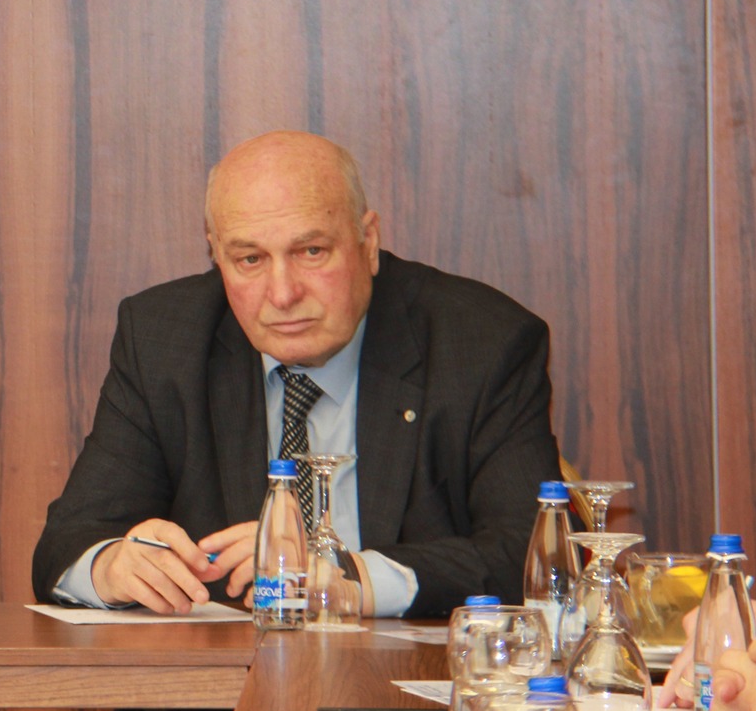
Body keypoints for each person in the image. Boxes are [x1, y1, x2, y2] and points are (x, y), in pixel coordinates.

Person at [34, 131, 561, 619]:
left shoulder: (480, 343)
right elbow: (66, 544)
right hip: (219, 685)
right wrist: (112, 567)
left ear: (368, 240)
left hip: (413, 681)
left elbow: (532, 555)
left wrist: (345, 576)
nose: (283, 294)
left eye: (312, 252)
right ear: (216, 254)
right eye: (250, 259)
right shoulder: (164, 341)